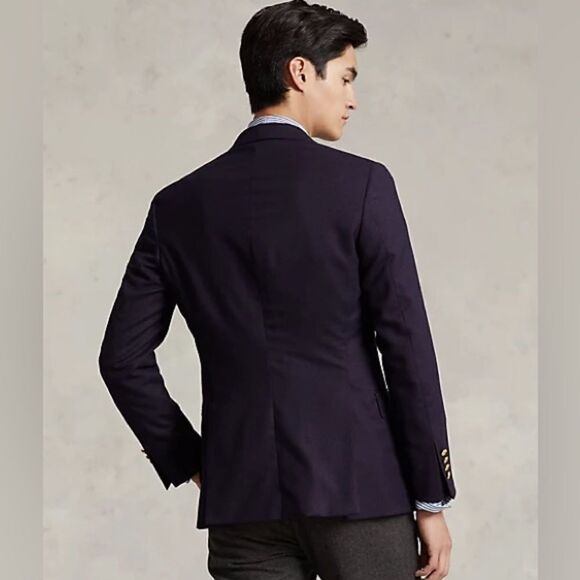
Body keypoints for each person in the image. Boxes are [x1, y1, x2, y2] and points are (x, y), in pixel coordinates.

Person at [98, 1, 457, 578]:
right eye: (346, 78)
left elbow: (121, 358)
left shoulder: (177, 206)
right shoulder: (362, 185)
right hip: (358, 490)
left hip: (242, 500)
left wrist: (191, 460)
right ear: (300, 72)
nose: (352, 99)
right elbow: (406, 346)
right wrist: (430, 498)